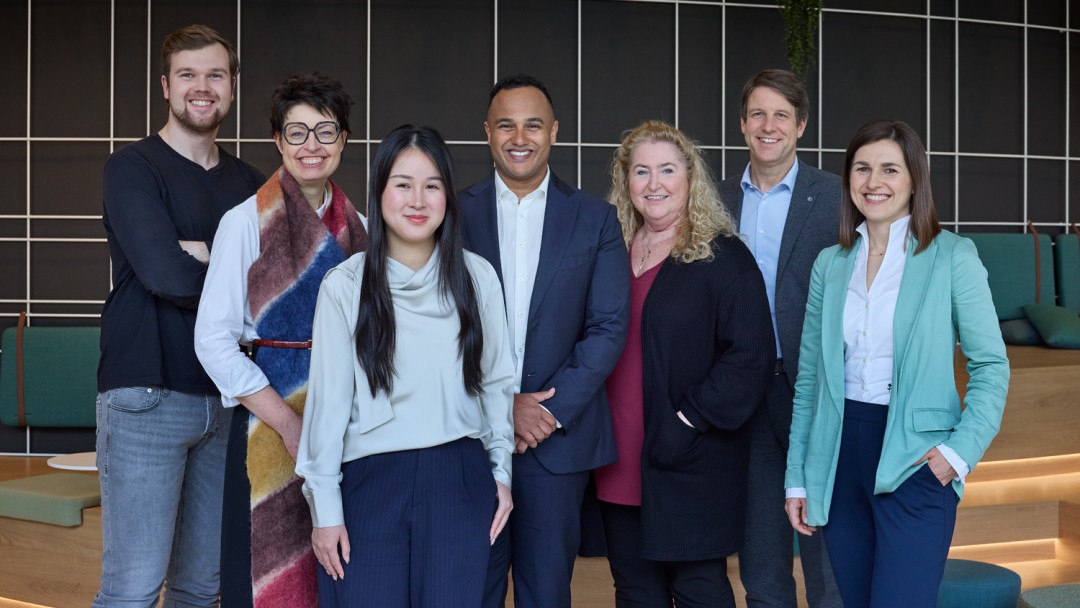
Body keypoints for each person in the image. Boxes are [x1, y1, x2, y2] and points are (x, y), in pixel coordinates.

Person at [785, 120, 1010, 607]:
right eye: (862, 169)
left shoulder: (952, 256)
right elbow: (810, 380)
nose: (874, 182)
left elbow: (991, 366)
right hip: (840, 453)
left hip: (917, 459)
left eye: (890, 169)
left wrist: (956, 456)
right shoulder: (831, 263)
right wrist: (799, 476)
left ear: (914, 180)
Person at [294, 124, 515, 606]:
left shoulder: (477, 278)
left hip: (459, 477)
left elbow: (497, 385)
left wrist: (501, 475)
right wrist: (325, 509)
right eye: (403, 184)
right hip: (370, 484)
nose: (418, 199)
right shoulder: (345, 285)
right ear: (379, 192)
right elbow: (327, 407)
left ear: (448, 197)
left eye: (432, 185)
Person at [94, 24, 264, 608]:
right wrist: (225, 267)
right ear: (166, 87)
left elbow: (273, 287)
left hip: (227, 399)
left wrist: (200, 254)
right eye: (188, 75)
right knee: (132, 590)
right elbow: (164, 274)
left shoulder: (251, 186)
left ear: (232, 87)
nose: (202, 87)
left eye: (215, 75)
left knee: (200, 588)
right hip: (147, 395)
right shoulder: (132, 168)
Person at [193, 73, 368, 607]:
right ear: (277, 140)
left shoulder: (360, 226)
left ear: (343, 140)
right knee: (264, 572)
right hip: (269, 427)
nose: (311, 146)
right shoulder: (244, 222)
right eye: (296, 132)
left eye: (325, 131)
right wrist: (291, 424)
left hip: (347, 428)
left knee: (338, 569)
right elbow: (213, 342)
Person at [459, 73, 631, 608]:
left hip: (556, 443)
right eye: (506, 124)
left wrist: (544, 414)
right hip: (468, 435)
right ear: (487, 132)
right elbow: (435, 322)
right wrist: (499, 406)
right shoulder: (450, 213)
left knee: (547, 594)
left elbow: (608, 327)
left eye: (533, 124)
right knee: (468, 589)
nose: (520, 137)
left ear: (554, 131)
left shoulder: (596, 219)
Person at [595, 119, 774, 607]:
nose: (654, 184)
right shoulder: (611, 251)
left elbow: (751, 357)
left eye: (667, 170)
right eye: (641, 171)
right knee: (634, 592)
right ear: (625, 181)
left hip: (688, 458)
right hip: (618, 458)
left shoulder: (724, 258)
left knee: (698, 592)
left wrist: (688, 419)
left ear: (690, 179)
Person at [718, 68, 842, 608]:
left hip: (814, 391)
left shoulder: (838, 196)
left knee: (826, 549)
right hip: (743, 392)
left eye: (782, 115)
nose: (769, 126)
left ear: (802, 125)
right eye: (758, 114)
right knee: (761, 554)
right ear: (743, 124)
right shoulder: (714, 200)